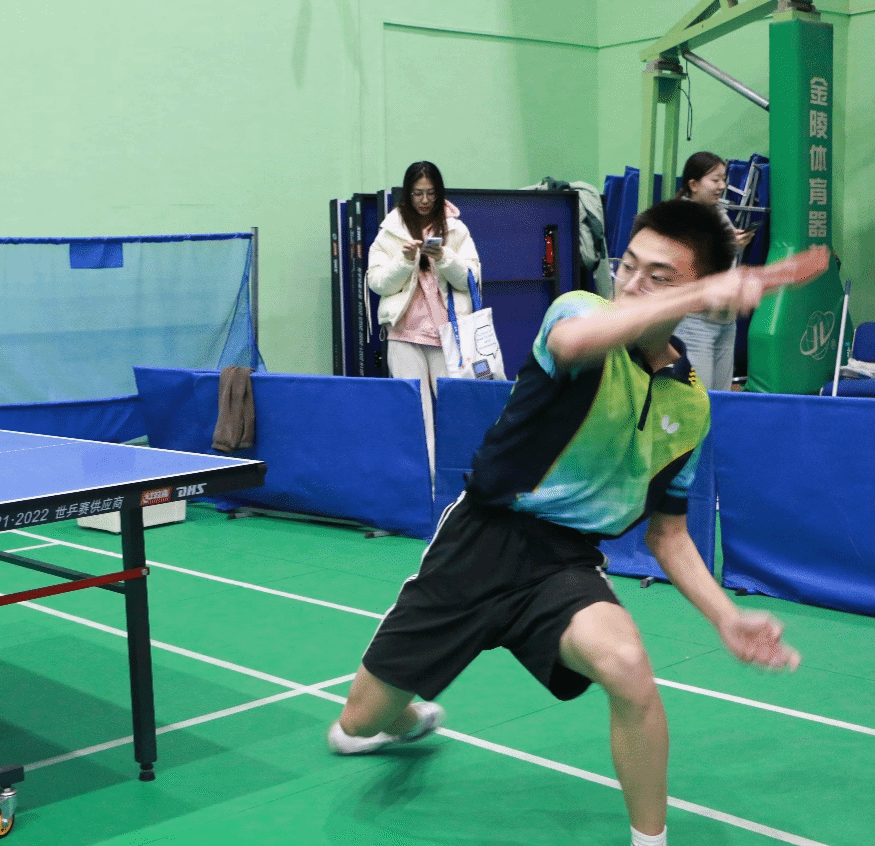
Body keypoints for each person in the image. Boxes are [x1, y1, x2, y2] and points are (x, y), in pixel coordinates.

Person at [329, 199, 829, 846]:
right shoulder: (578, 312)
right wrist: (702, 291)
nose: (632, 284)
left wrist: (727, 618)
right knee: (357, 726)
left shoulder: (690, 406)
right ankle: (397, 718)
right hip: (479, 542)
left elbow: (668, 534)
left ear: (699, 289)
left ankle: (650, 839)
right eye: (629, 266)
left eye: (659, 277)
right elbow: (574, 343)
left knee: (628, 666)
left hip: (562, 563)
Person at [367, 161, 482, 474]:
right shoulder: (390, 232)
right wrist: (405, 261)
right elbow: (378, 283)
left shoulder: (456, 229)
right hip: (404, 335)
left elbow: (471, 279)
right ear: (408, 194)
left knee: (454, 408)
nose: (425, 200)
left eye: (431, 193)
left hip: (448, 335)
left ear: (439, 192)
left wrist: (444, 257)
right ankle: (423, 479)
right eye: (418, 193)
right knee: (415, 413)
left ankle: (457, 476)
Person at [671, 152, 757, 391]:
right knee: (700, 394)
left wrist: (736, 243)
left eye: (724, 179)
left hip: (725, 320)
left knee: (721, 395)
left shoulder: (719, 213)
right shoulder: (679, 217)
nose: (722, 186)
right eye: (715, 180)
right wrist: (727, 245)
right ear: (694, 184)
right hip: (694, 322)